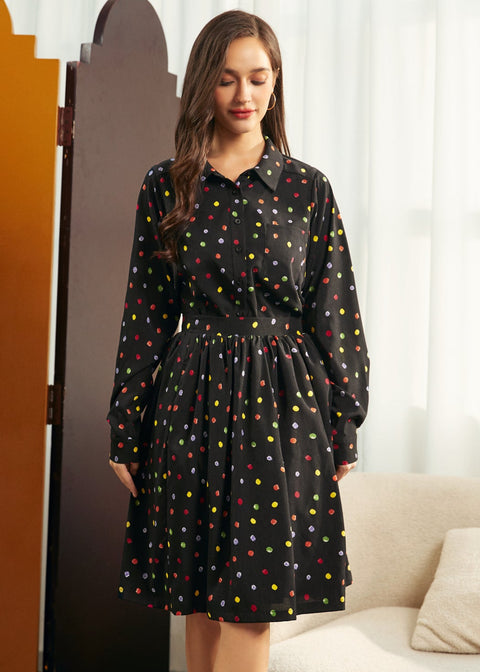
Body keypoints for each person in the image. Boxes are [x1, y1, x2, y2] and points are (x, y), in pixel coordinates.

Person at [108, 9, 369, 672]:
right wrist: (125, 427)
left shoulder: (308, 189)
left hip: (282, 406)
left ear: (276, 82)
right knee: (198, 598)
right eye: (226, 79)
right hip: (189, 399)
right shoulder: (164, 185)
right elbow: (146, 314)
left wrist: (344, 420)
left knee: (252, 604)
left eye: (258, 77)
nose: (244, 94)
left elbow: (335, 311)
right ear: (205, 84)